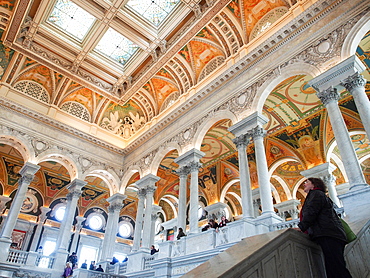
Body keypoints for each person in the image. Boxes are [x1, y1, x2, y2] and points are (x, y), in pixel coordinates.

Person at [297, 177, 352, 278]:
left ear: (314, 185)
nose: (304, 184)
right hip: (330, 234)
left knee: (336, 268)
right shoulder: (317, 195)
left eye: (307, 182)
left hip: (328, 234)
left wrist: (302, 227)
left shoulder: (316, 194)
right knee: (334, 268)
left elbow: (312, 212)